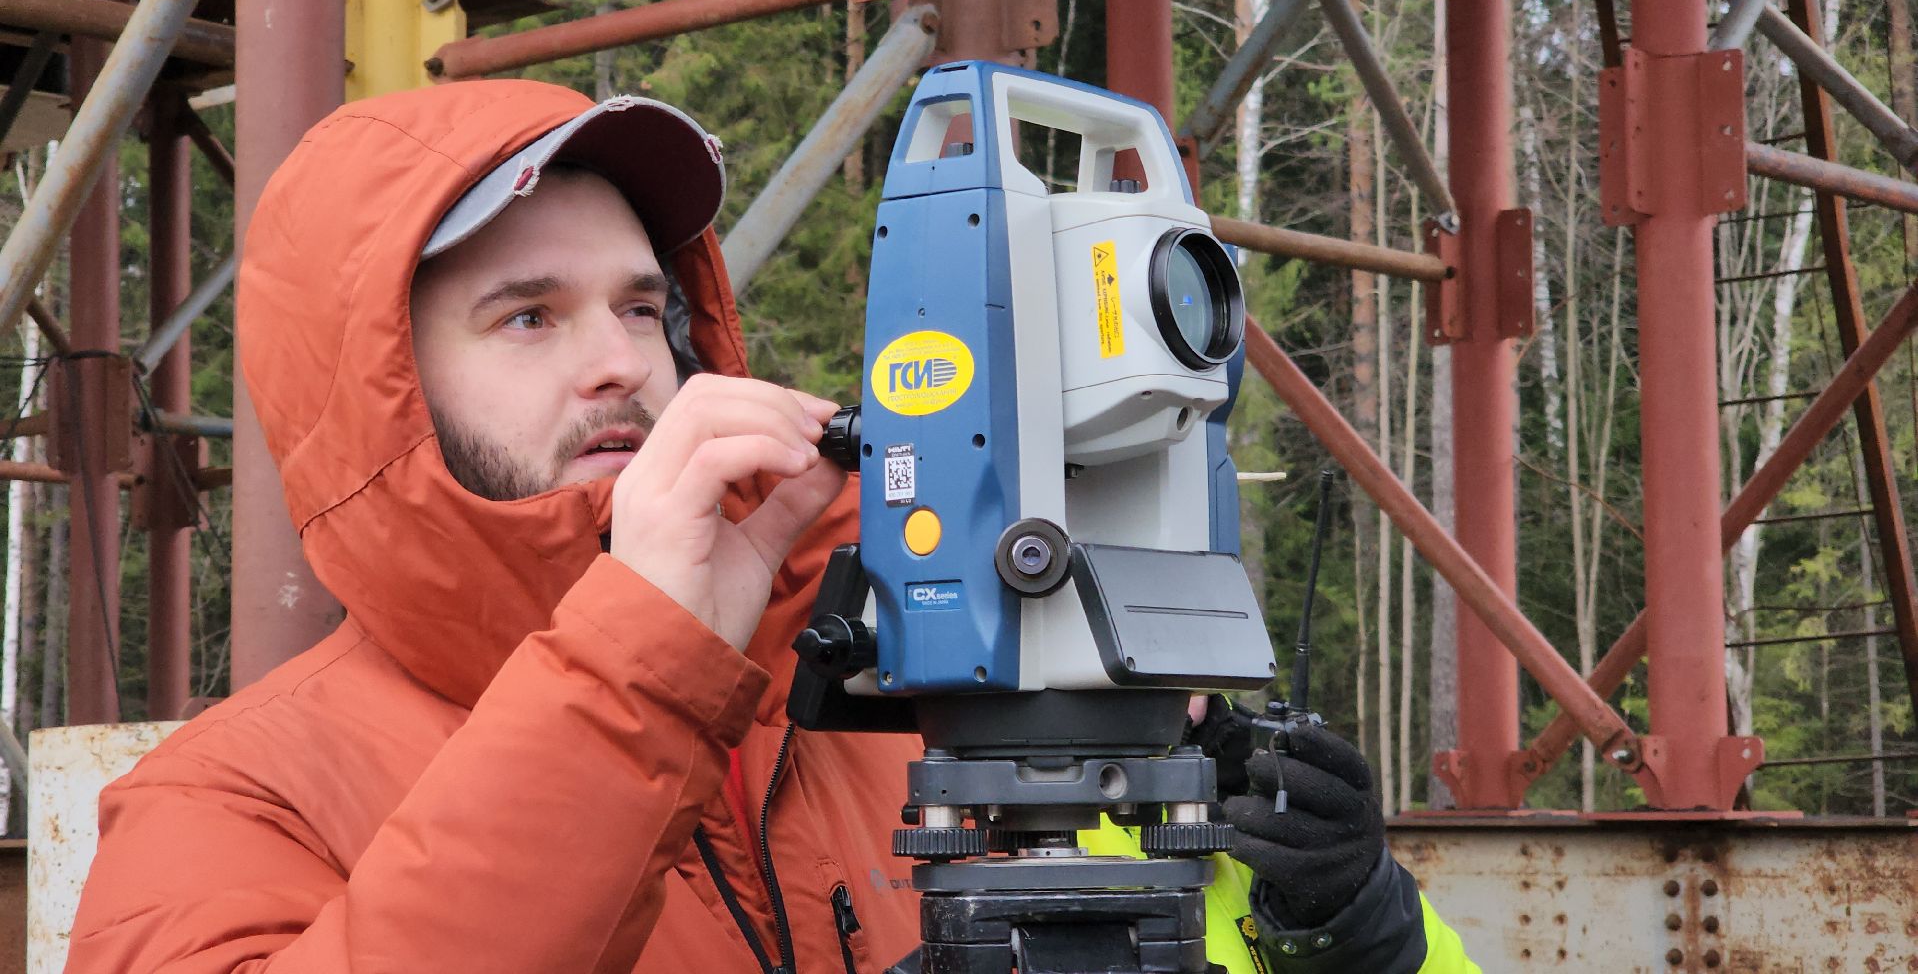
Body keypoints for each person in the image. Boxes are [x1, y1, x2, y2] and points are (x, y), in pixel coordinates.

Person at [66, 79, 1473, 973]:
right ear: (376, 393)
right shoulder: (229, 801)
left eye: (638, 305)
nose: (618, 359)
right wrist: (632, 667)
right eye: (527, 317)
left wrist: (1340, 931)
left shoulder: (915, 699)